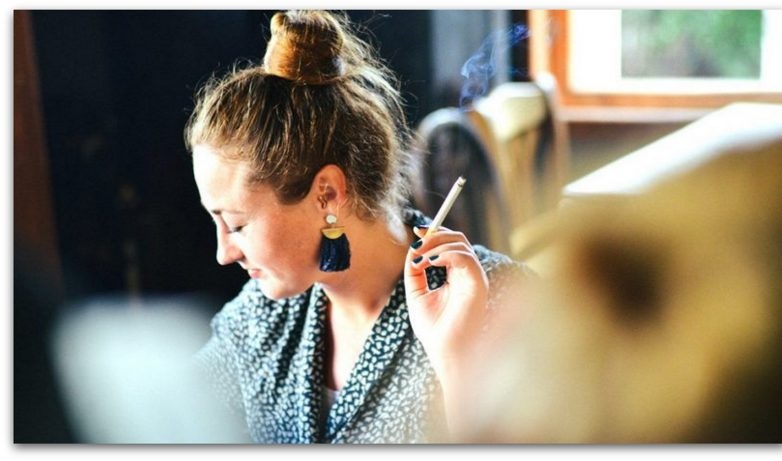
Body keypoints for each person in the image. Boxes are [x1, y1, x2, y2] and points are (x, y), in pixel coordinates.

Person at [185, 10, 533, 443]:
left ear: (327, 194)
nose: (224, 253)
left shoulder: (507, 302)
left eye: (236, 225)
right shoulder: (261, 318)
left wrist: (455, 363)